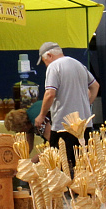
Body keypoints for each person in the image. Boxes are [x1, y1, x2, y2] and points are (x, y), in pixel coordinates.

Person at [33, 42, 98, 170]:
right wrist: (86, 103)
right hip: (84, 124)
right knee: (82, 165)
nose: (46, 65)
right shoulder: (79, 65)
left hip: (63, 126)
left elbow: (50, 94)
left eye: (45, 62)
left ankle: (65, 184)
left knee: (60, 167)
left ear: (49, 55)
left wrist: (41, 115)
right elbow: (95, 86)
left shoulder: (54, 67)